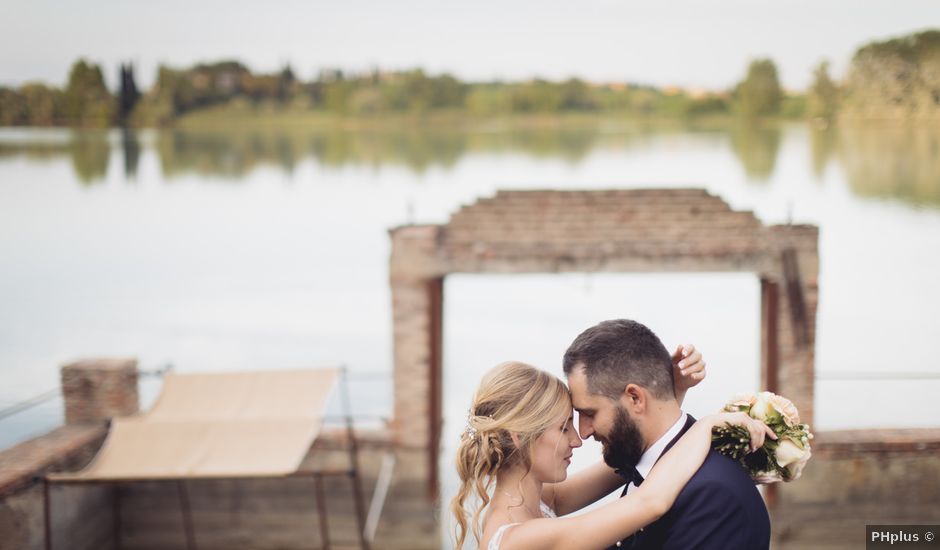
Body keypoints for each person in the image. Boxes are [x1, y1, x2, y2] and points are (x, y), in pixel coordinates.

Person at [450, 357, 774, 550]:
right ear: (518, 438)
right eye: (563, 429)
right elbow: (650, 502)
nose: (577, 440)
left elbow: (635, 454)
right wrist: (705, 427)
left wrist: (665, 397)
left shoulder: (539, 502)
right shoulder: (520, 540)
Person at [563, 319, 772, 549]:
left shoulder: (714, 497)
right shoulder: (643, 465)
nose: (583, 432)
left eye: (590, 413)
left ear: (635, 398)